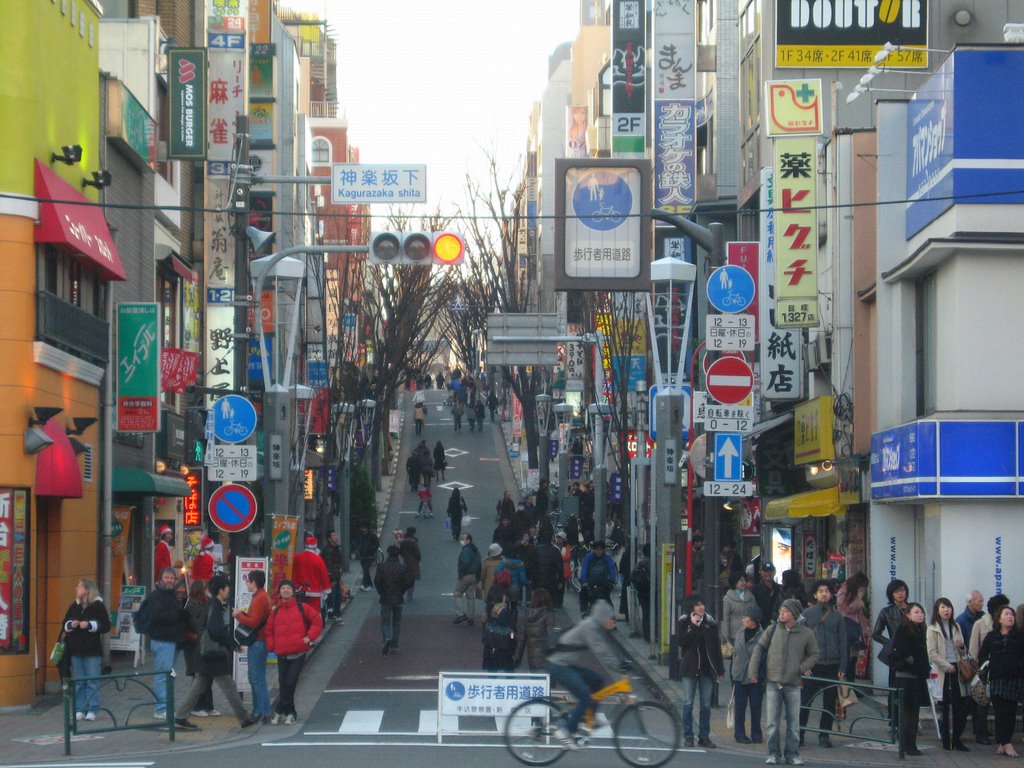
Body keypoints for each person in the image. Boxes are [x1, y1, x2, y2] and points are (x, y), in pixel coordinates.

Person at [174, 575, 259, 731]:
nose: (228, 590)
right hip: (214, 655)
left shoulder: (213, 604)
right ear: (221, 590)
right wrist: (231, 643)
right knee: (229, 686)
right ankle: (244, 718)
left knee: (198, 686)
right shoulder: (215, 605)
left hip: (205, 653)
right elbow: (215, 630)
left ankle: (180, 716)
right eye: (226, 588)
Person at [748, 598, 820, 766]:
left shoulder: (806, 633)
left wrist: (801, 668)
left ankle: (792, 754)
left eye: (786, 611)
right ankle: (773, 753)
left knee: (793, 723)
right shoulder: (772, 629)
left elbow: (815, 654)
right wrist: (753, 672)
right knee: (772, 722)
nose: (781, 613)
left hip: (793, 683)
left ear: (794, 614)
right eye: (781, 610)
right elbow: (759, 648)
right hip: (773, 681)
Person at [546, 600, 625, 749]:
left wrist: (619, 660)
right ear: (603, 617)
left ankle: (589, 718)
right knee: (585, 695)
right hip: (560, 665)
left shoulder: (595, 626)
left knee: (598, 681)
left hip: (568, 664)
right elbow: (601, 650)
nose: (613, 623)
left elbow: (605, 649)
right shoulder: (590, 627)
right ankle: (565, 730)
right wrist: (619, 665)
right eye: (611, 619)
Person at [264, 579, 323, 725]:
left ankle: (278, 710)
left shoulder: (302, 607)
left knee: (290, 683)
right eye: (283, 588)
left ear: (293, 592)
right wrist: (271, 646)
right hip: (281, 653)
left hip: (298, 652)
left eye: (288, 588)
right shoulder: (275, 610)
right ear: (279, 592)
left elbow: (317, 620)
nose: (285, 590)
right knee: (284, 684)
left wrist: (309, 637)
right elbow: (268, 630)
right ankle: (291, 713)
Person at [798, 579, 847, 748]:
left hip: (832, 665)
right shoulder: (806, 614)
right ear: (815, 594)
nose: (824, 593)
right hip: (813, 665)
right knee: (806, 701)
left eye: (827, 590)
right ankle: (800, 733)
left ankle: (824, 735)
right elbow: (799, 641)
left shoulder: (837, 616)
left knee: (829, 703)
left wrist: (842, 666)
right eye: (820, 591)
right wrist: (804, 664)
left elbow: (843, 642)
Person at [677, 596, 725, 748]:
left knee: (705, 704)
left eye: (702, 604)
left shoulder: (710, 623)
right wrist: (693, 626)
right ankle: (688, 736)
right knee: (688, 703)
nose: (700, 608)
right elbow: (681, 642)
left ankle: (704, 736)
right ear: (691, 608)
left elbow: (716, 647)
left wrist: (719, 669)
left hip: (706, 668)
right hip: (689, 668)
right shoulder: (684, 622)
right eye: (697, 605)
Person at [62, 578, 111, 722]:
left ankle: (92, 709)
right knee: (79, 681)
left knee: (92, 681)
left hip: (92, 650)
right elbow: (64, 622)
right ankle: (79, 709)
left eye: (79, 587)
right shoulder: (74, 606)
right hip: (76, 649)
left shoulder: (97, 606)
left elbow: (106, 625)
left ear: (87, 590)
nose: (76, 589)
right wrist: (72, 624)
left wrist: (90, 625)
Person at [143, 566, 189, 719]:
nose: (169, 580)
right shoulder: (156, 596)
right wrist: (178, 615)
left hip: (172, 640)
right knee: (163, 675)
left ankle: (166, 707)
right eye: (167, 577)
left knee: (169, 675)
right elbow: (157, 616)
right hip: (162, 640)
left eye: (171, 578)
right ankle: (161, 708)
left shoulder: (171, 595)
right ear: (160, 579)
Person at [980, 605, 1024, 758]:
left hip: (1014, 678)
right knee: (1000, 711)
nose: (1010, 617)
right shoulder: (992, 636)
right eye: (1006, 614)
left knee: (1011, 712)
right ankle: (1007, 743)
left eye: (1012, 614)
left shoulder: (1019, 636)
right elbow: (982, 655)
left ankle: (1003, 743)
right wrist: (987, 666)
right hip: (997, 678)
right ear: (999, 618)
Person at [927, 597, 970, 751]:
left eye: (949, 607)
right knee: (946, 706)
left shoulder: (956, 626)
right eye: (943, 607)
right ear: (937, 611)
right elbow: (932, 654)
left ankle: (956, 738)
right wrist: (946, 666)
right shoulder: (932, 628)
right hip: (943, 671)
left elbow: (963, 651)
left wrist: (962, 646)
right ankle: (947, 740)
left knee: (961, 706)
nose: (947, 610)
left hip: (958, 669)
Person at [891, 602, 930, 756]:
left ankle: (910, 744)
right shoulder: (903, 629)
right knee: (908, 711)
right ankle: (907, 745)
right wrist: (916, 663)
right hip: (906, 676)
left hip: (918, 676)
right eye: (916, 612)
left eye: (921, 612)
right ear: (908, 615)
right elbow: (903, 651)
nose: (920, 615)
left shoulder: (921, 630)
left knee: (915, 711)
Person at [233, 570, 272, 723]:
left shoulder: (259, 598)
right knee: (255, 677)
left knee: (256, 678)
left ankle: (263, 711)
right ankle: (259, 711)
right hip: (259, 641)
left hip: (258, 641)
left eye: (248, 581)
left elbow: (253, 622)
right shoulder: (261, 596)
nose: (246, 584)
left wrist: (238, 615)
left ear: (253, 582)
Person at [957, 590, 991, 745]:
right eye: (979, 600)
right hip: (971, 665)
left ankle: (980, 729)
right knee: (972, 700)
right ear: (969, 602)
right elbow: (963, 645)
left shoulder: (984, 618)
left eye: (982, 600)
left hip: (983, 666)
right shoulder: (962, 620)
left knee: (979, 699)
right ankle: (974, 730)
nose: (981, 603)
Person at [732, 605, 765, 744]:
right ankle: (739, 734)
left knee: (756, 707)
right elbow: (736, 654)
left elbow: (764, 657)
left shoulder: (763, 635)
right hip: (739, 675)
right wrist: (733, 673)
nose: (743, 620)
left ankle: (756, 733)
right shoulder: (740, 632)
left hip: (755, 676)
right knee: (739, 706)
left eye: (746, 617)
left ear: (754, 620)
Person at [182, 580, 215, 717]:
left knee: (206, 675)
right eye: (206, 588)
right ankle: (196, 706)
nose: (208, 591)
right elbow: (195, 623)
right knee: (199, 675)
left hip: (201, 643)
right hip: (193, 644)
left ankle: (208, 706)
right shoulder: (193, 604)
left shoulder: (204, 602)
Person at [873, 578, 910, 685]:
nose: (900, 594)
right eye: (896, 591)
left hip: (914, 650)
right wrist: (890, 643)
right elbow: (876, 634)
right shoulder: (886, 612)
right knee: (895, 684)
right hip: (896, 653)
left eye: (902, 590)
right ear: (891, 594)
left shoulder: (913, 608)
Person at [375, 545, 410, 655]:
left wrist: (381, 592)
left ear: (388, 553)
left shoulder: (382, 566)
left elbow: (377, 581)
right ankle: (395, 645)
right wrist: (401, 592)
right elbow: (407, 583)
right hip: (398, 598)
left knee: (385, 621)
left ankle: (386, 638)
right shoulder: (403, 568)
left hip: (385, 598)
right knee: (397, 622)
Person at [836, 572, 871, 682]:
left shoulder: (852, 591)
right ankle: (846, 682)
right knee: (847, 655)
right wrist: (859, 600)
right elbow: (845, 608)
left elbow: (860, 615)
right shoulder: (845, 590)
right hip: (847, 626)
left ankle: (851, 682)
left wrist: (865, 629)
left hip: (855, 627)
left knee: (853, 656)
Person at [515, 588, 556, 672]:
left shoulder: (527, 615)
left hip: (532, 658)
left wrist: (517, 658)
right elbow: (551, 638)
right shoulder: (548, 615)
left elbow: (521, 640)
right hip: (546, 658)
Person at [291, 535, 331, 616]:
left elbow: (292, 572)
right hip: (314, 592)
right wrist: (326, 589)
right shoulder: (318, 559)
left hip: (299, 590)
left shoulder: (296, 557)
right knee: (314, 614)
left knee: (300, 612)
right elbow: (324, 576)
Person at [482, 585, 517, 672]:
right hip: (503, 649)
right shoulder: (503, 611)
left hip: (490, 648)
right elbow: (512, 631)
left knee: (492, 674)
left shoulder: (488, 610)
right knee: (509, 674)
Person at [722, 573, 755, 659]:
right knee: (736, 658)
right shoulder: (728, 598)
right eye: (741, 581)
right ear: (735, 583)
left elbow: (755, 613)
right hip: (734, 635)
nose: (744, 583)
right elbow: (725, 618)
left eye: (745, 580)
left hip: (749, 632)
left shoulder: (750, 596)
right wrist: (726, 636)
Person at [580, 539, 617, 613]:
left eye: (601, 550)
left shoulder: (607, 558)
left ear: (604, 550)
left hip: (603, 584)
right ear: (594, 549)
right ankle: (584, 611)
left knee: (608, 602)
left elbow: (612, 569)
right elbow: (584, 568)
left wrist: (612, 581)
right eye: (597, 549)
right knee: (583, 594)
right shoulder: (589, 557)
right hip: (590, 584)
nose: (599, 551)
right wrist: (584, 581)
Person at [453, 532, 481, 626]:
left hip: (466, 575)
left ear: (468, 540)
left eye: (463, 539)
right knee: (470, 596)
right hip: (474, 576)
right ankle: (470, 617)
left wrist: (461, 573)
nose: (461, 541)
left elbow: (465, 562)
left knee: (457, 593)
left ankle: (460, 614)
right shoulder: (475, 550)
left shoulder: (466, 550)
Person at [752, 561, 782, 628]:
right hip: (760, 625)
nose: (768, 573)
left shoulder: (779, 588)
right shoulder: (755, 590)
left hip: (777, 624)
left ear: (774, 572)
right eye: (766, 571)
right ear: (761, 572)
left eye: (770, 571)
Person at [632, 543, 652, 642]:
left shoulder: (639, 564)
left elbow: (631, 578)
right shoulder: (654, 563)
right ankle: (654, 634)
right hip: (652, 592)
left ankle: (647, 636)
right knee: (654, 614)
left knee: (645, 614)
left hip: (642, 593)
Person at [320, 531, 344, 618]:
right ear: (329, 539)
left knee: (337, 596)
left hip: (336, 577)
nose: (336, 537)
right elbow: (327, 566)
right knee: (331, 598)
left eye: (336, 535)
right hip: (332, 578)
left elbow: (338, 565)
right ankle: (331, 613)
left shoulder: (336, 549)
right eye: (334, 535)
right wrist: (332, 579)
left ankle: (336, 613)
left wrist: (339, 578)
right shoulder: (328, 551)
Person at [398, 527, 421, 602]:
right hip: (413, 562)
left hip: (405, 561)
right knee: (412, 580)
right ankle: (409, 596)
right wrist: (418, 559)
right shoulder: (413, 542)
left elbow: (400, 551)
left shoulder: (403, 541)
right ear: (413, 533)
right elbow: (417, 553)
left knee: (405, 578)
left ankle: (401, 593)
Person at [356, 523, 380, 593]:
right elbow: (357, 543)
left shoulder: (372, 536)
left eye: (364, 528)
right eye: (362, 528)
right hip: (362, 555)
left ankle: (365, 584)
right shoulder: (360, 535)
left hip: (369, 555)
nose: (363, 529)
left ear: (367, 528)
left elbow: (376, 544)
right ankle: (368, 585)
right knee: (364, 570)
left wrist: (371, 549)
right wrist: (358, 549)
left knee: (366, 569)